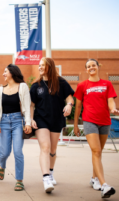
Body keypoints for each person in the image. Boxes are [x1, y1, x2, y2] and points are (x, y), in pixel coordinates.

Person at [74, 59, 119, 198]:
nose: (91, 68)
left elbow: (110, 101)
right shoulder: (82, 85)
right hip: (89, 121)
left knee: (98, 153)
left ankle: (94, 179)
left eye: (93, 65)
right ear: (86, 70)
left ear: (98, 67)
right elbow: (78, 106)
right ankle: (104, 185)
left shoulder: (107, 84)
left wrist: (113, 109)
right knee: (96, 150)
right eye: (88, 67)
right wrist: (76, 124)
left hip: (105, 121)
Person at [30, 57, 74, 193]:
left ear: (50, 66)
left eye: (43, 65)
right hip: (41, 119)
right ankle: (46, 178)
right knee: (45, 147)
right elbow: (31, 105)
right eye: (39, 65)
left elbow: (69, 98)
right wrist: (30, 119)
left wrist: (69, 105)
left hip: (56, 119)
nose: (40, 67)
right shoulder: (36, 85)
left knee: (53, 150)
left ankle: (50, 171)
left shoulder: (61, 82)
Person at [0, 64, 32, 191]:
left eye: (6, 71)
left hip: (17, 122)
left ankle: (19, 180)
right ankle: (2, 166)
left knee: (18, 152)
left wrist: (28, 123)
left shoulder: (23, 87)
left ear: (12, 73)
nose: (3, 74)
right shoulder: (0, 90)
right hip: (3, 121)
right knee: (4, 152)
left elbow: (26, 106)